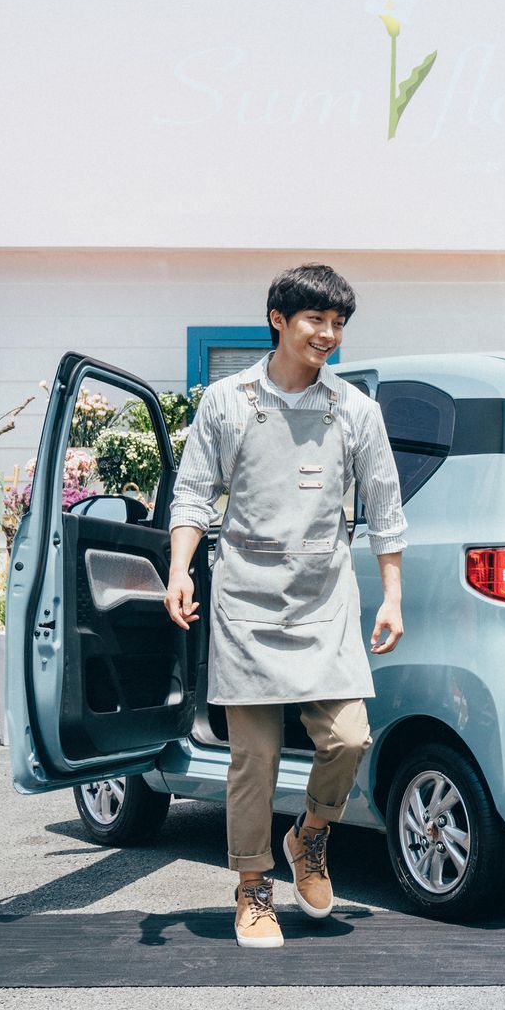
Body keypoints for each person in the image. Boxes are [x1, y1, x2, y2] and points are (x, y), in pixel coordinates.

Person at [166, 264, 409, 947]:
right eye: (315, 321)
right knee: (255, 759)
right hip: (245, 599)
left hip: (325, 598)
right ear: (278, 318)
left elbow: (386, 511)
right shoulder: (228, 401)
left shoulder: (356, 410)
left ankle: (311, 837)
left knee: (350, 737)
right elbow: (192, 496)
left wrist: (391, 596)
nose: (328, 335)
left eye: (338, 325)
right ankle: (252, 889)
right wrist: (181, 570)